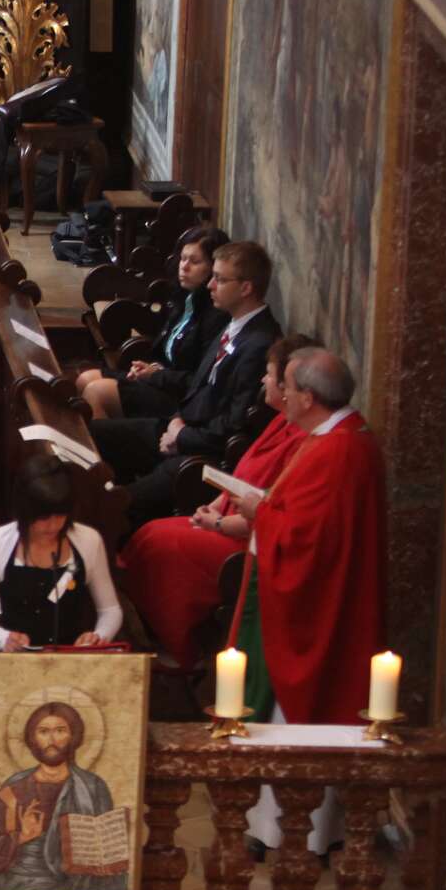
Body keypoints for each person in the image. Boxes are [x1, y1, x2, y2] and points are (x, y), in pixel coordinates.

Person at [117, 331, 315, 666]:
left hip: (247, 541)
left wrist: (219, 522)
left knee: (164, 544)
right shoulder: (282, 421)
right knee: (150, 534)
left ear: (287, 388)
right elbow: (245, 473)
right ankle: (141, 630)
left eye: (269, 375)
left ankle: (179, 650)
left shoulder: (303, 441)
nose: (263, 380)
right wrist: (216, 503)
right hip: (228, 517)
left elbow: (271, 507)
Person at [223, 347, 387, 722]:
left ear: (309, 398)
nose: (282, 395)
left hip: (315, 605)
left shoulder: (339, 450)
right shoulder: (334, 437)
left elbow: (309, 539)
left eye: (288, 387)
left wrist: (259, 512)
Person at [91, 240, 282, 528]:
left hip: (200, 453)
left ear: (246, 288)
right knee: (92, 435)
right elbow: (198, 387)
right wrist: (176, 422)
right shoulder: (234, 323)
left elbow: (233, 424)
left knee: (115, 505)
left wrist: (181, 436)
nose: (210, 285)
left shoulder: (259, 343)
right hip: (181, 425)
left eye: (220, 279)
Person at [0, 702, 127, 890]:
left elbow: (109, 852)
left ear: (74, 736)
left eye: (60, 731)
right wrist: (21, 837)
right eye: (43, 731)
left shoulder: (92, 786)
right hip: (18, 885)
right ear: (32, 738)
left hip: (76, 886)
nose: (52, 739)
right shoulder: (14, 788)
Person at [0, 458, 123, 651]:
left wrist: (98, 637)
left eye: (61, 515)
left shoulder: (88, 540)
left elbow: (110, 611)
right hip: (16, 659)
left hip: (73, 657)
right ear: (25, 510)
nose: (53, 525)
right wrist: (2, 638)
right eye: (43, 517)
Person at [78, 225, 231, 419]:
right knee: (85, 378)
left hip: (180, 397)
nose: (184, 267)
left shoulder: (216, 315)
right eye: (183, 258)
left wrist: (155, 375)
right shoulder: (184, 297)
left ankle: (106, 436)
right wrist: (146, 367)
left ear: (213, 268)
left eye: (195, 261)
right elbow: (163, 348)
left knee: (96, 392)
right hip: (160, 378)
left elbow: (198, 379)